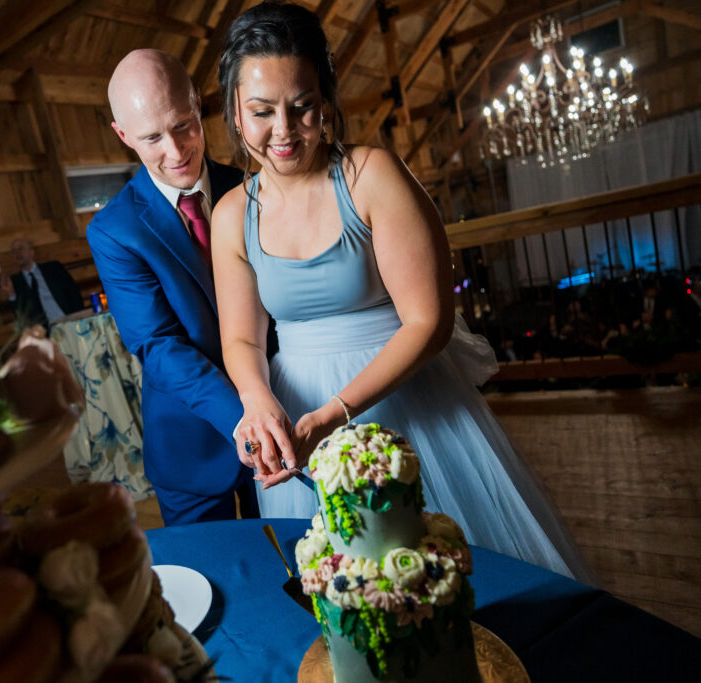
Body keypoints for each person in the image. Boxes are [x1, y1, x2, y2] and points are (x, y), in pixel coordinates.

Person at [211, 1, 596, 583]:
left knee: (453, 576)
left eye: (304, 107)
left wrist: (334, 415)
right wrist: (257, 399)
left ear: (326, 100)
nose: (284, 131)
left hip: (403, 396)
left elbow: (428, 321)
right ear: (236, 114)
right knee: (350, 592)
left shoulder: (370, 175)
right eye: (262, 112)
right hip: (297, 416)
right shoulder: (231, 214)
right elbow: (241, 335)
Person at [85, 49, 259, 525]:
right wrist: (246, 420)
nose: (177, 151)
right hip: (192, 451)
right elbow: (159, 346)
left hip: (286, 417)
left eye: (184, 125)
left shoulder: (253, 189)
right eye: (152, 137)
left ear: (197, 106)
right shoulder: (113, 230)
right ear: (124, 136)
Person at [1, 236, 84, 328]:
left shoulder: (53, 268)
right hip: (46, 332)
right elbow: (20, 314)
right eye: (14, 251)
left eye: (20, 248)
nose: (17, 253)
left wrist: (79, 319)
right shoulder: (15, 282)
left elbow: (73, 292)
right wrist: (10, 293)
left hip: (69, 320)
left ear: (31, 252)